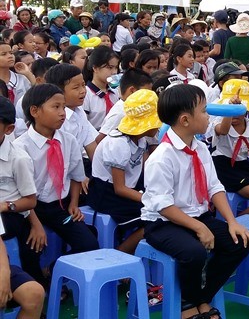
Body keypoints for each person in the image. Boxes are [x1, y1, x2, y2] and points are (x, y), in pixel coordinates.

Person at [141, 84, 249, 319]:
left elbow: (215, 188)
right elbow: (164, 206)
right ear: (185, 120)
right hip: (164, 223)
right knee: (193, 252)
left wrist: (231, 221)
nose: (208, 115)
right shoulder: (162, 157)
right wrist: (199, 228)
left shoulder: (200, 148)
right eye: (203, 111)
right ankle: (186, 305)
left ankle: (201, 297)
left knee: (239, 242)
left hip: (197, 216)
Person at [14, 84, 99, 256]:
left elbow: (76, 175)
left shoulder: (68, 140)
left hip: (59, 206)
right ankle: (38, 279)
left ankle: (57, 270)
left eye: (63, 107)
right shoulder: (20, 147)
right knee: (31, 248)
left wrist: (74, 204)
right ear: (35, 111)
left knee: (89, 243)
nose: (62, 113)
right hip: (30, 210)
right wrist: (36, 225)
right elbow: (19, 194)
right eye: (56, 107)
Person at [88, 90, 161, 254]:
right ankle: (120, 253)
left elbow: (142, 171)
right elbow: (119, 188)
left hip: (128, 190)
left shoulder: (140, 140)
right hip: (106, 194)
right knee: (154, 220)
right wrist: (147, 199)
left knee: (161, 211)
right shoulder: (118, 144)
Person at [0, 96, 46, 286]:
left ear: (9, 129)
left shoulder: (18, 158)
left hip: (12, 213)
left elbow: (30, 201)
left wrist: (5, 206)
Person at [211, 80, 249, 204]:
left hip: (244, 164)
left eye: (239, 110)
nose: (235, 115)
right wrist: (230, 110)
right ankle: (238, 217)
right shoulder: (219, 121)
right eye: (233, 111)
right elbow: (223, 130)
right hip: (224, 167)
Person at [97, 68, 153, 141]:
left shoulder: (137, 109)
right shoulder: (120, 114)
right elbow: (100, 140)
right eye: (146, 93)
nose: (150, 97)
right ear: (132, 91)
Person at [83, 46, 120, 130]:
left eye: (116, 67)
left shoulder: (117, 92)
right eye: (110, 67)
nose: (114, 72)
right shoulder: (85, 94)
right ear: (95, 68)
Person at [0, 41, 31, 106]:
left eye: (11, 53)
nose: (10, 56)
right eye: (3, 54)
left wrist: (28, 74)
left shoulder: (22, 78)